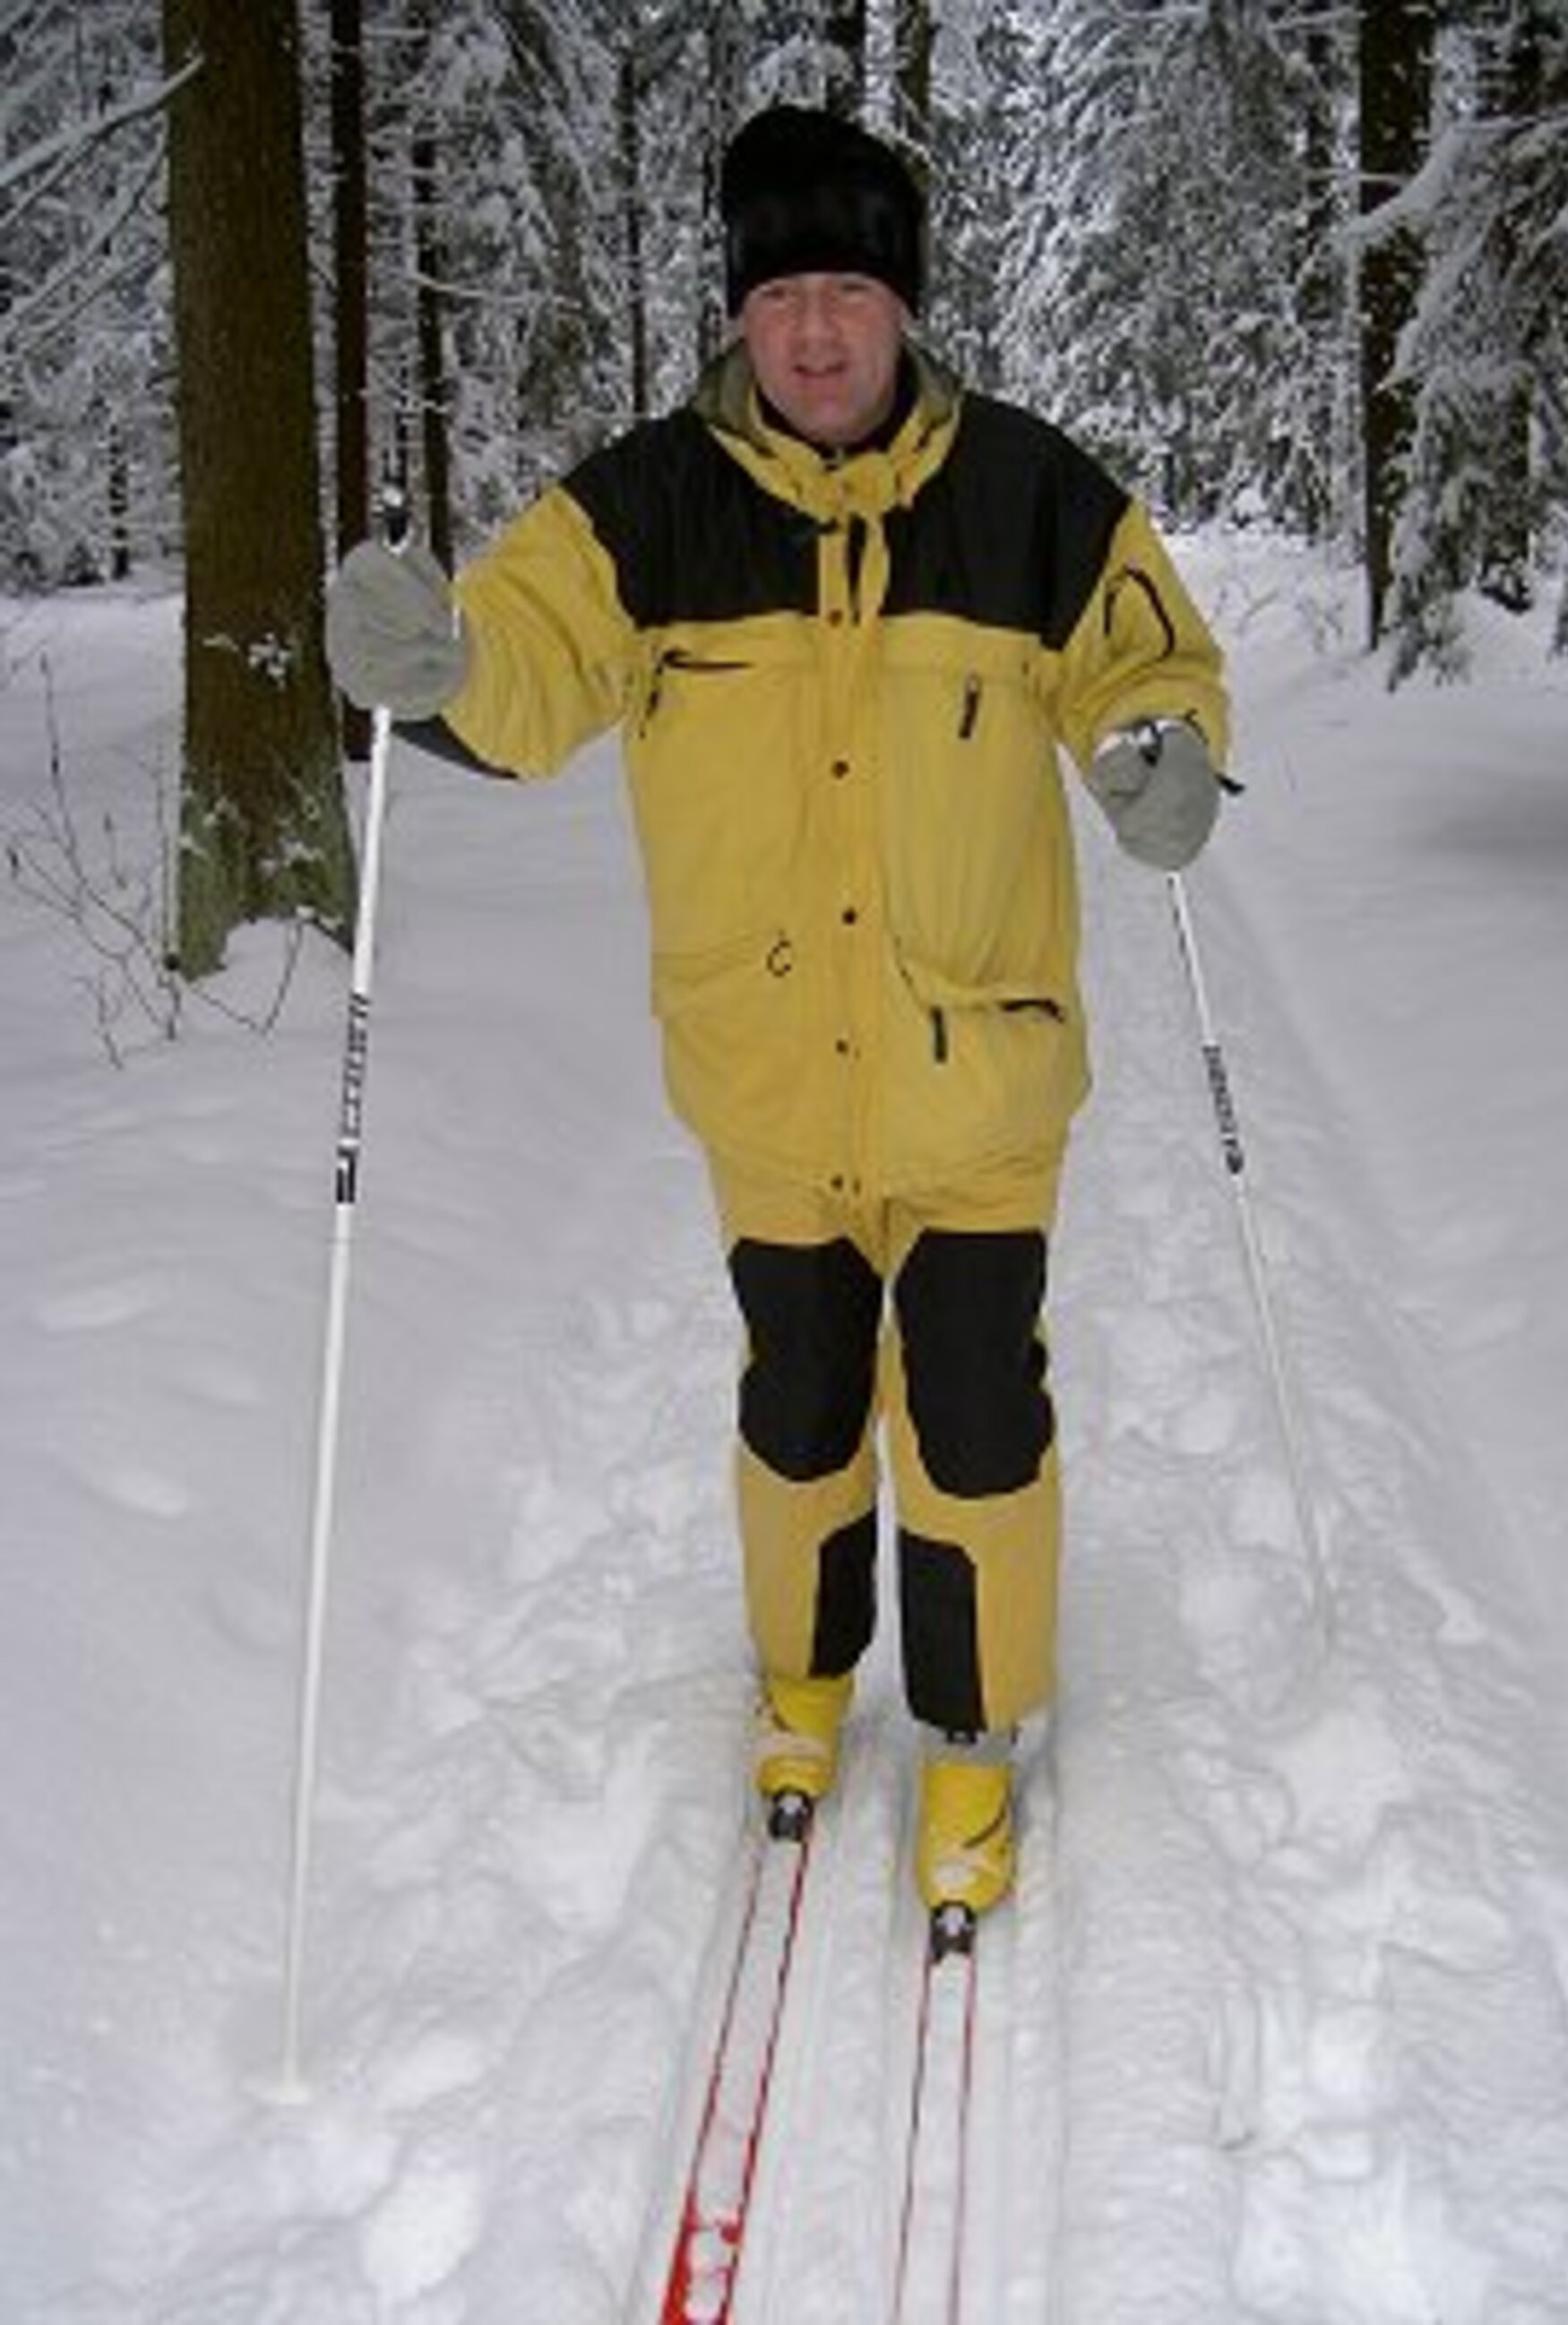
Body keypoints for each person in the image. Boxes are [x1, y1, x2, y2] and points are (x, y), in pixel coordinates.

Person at [325, 103, 1229, 1922]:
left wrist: (1165, 754)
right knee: (798, 1413)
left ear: (905, 306)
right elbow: (524, 667)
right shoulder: (648, 507)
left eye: (850, 292)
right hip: (766, 1087)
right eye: (782, 294)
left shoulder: (1034, 496)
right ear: (739, 311)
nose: (816, 331)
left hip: (979, 1085)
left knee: (975, 1427)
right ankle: (806, 1680)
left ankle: (969, 1731)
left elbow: (1150, 664)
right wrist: (436, 662)